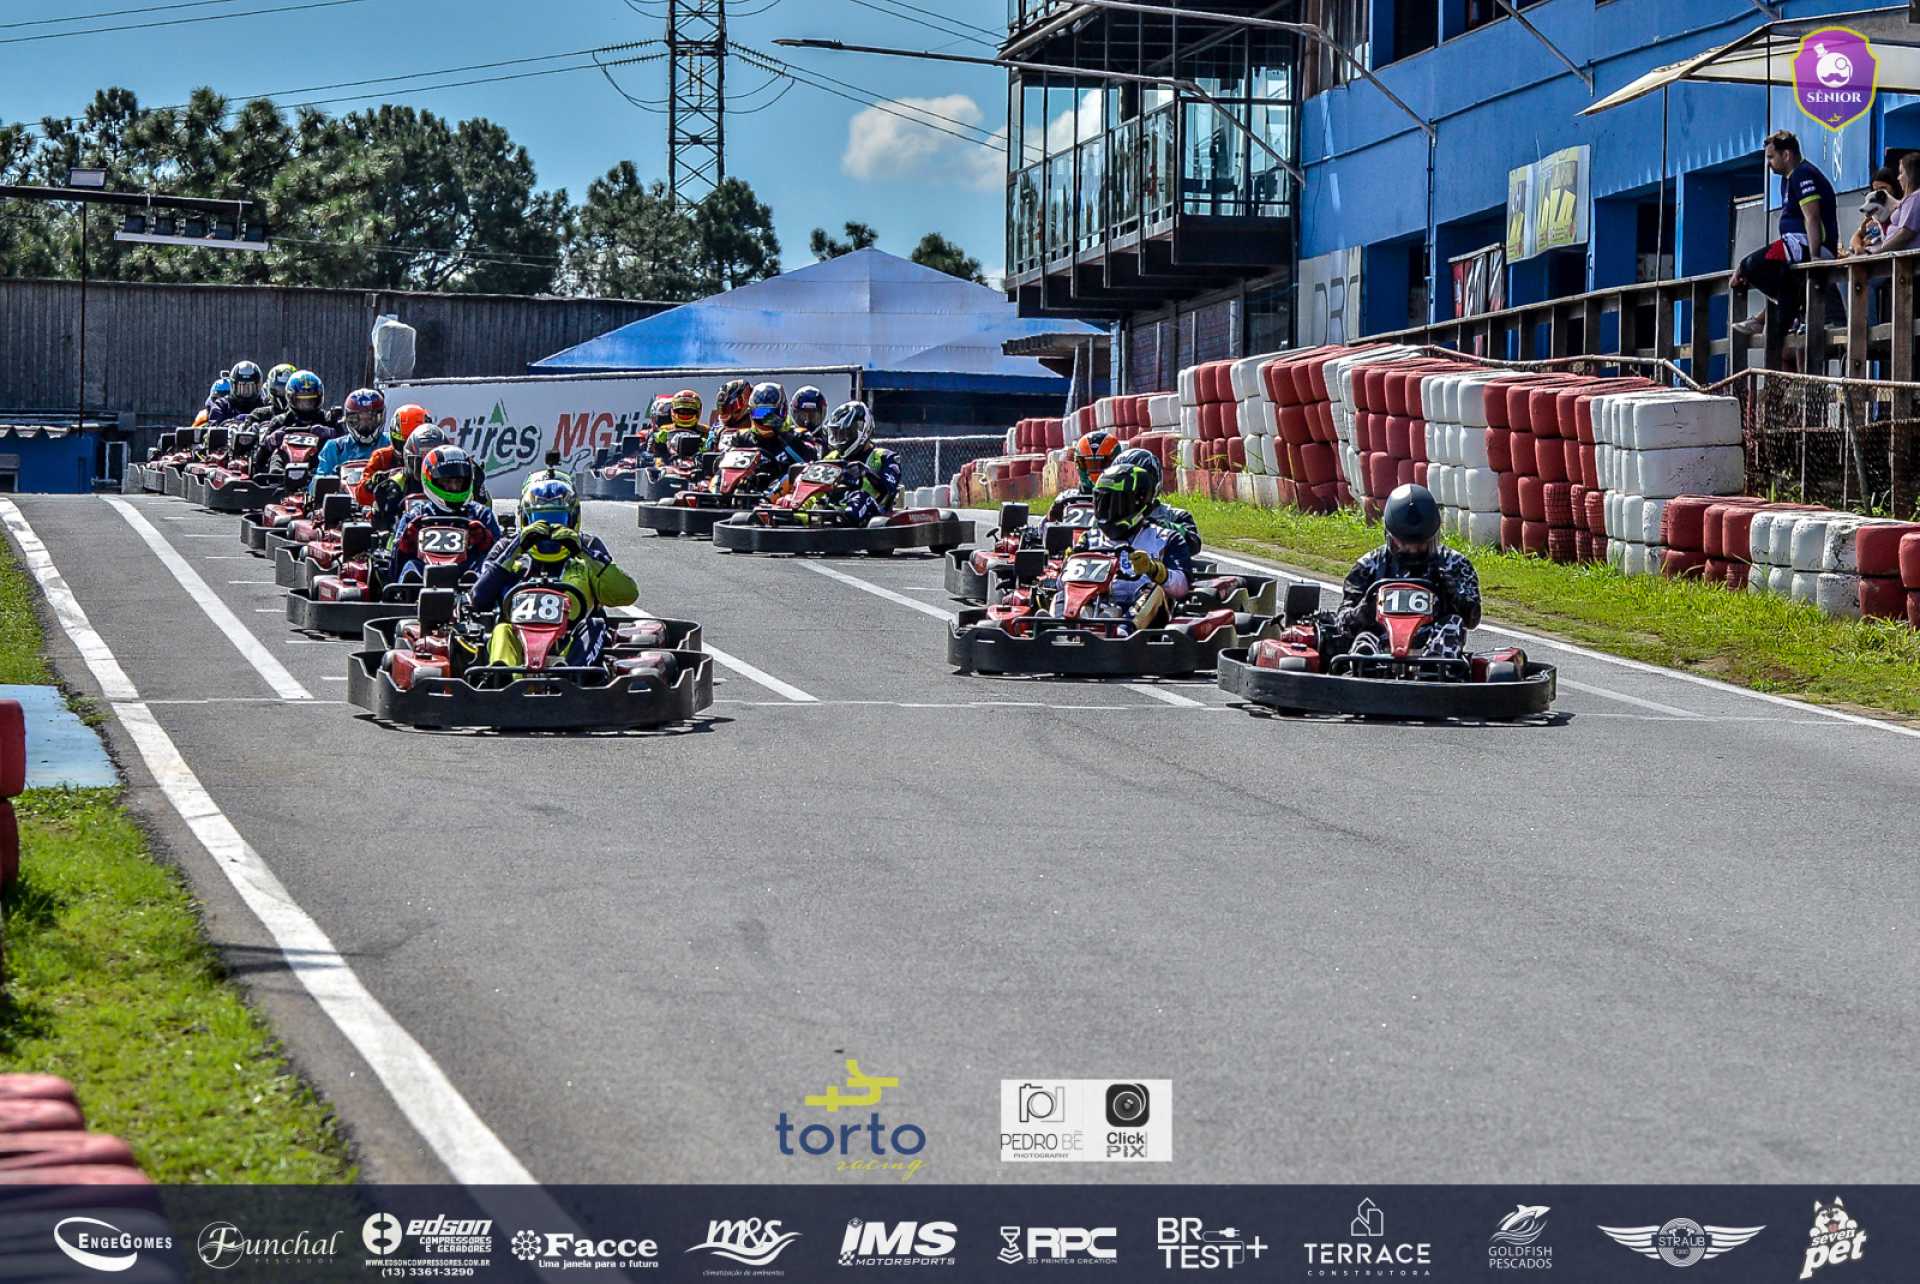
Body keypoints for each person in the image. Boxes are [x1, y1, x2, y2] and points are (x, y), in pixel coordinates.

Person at [468, 476, 638, 666]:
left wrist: (584, 552)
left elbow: (627, 594)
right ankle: (502, 675)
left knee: (595, 625)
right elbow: (478, 598)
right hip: (518, 645)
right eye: (540, 520)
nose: (549, 528)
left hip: (573, 642)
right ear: (525, 518)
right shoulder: (507, 548)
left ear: (572, 519)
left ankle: (570, 672)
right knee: (501, 631)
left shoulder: (588, 547)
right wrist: (516, 549)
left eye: (558, 520)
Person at [1332, 482, 1482, 659]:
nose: (1413, 550)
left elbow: (1472, 621)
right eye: (1405, 544)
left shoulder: (1455, 564)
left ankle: (1435, 667)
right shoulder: (1368, 566)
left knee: (1453, 624)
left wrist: (1455, 597)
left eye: (1420, 544)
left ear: (1433, 536)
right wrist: (1364, 611)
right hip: (1381, 642)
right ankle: (1365, 668)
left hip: (1433, 641)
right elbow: (1342, 624)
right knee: (1364, 636)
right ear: (1391, 536)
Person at [1731, 131, 1838, 344]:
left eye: (1771, 157)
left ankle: (1785, 312)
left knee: (1750, 265)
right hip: (1795, 245)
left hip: (1806, 245)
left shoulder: (1803, 174)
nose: (1768, 164)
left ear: (1786, 155)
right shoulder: (1787, 180)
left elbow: (1812, 217)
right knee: (1780, 281)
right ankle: (1787, 312)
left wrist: (1815, 257)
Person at [1083, 456, 1197, 618]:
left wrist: (1154, 569)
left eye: (1114, 503)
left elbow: (1182, 587)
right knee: (1061, 594)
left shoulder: (1166, 538)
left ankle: (1124, 628)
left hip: (1144, 612)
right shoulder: (1089, 539)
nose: (1106, 510)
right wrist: (1066, 566)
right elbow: (1062, 584)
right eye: (1102, 502)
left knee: (1153, 590)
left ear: (1138, 502)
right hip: (1098, 603)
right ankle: (1060, 625)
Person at [387, 446, 502, 582]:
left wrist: (486, 542)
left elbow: (501, 560)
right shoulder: (414, 516)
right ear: (430, 480)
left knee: (482, 566)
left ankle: (474, 586)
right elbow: (393, 570)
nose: (453, 487)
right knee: (410, 566)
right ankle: (409, 589)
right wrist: (405, 546)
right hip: (424, 574)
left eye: (458, 481)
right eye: (447, 481)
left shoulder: (482, 515)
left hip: (467, 573)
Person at [819, 402, 899, 522]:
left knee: (860, 497)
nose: (840, 439)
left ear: (861, 430)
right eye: (836, 434)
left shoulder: (885, 457)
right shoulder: (832, 457)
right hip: (834, 505)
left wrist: (864, 472)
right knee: (817, 500)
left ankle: (845, 518)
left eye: (844, 434)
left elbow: (888, 488)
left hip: (873, 513)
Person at [367, 423, 452, 532]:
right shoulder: (395, 482)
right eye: (421, 460)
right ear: (409, 459)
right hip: (405, 537)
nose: (426, 466)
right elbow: (380, 524)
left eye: (433, 460)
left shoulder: (455, 482)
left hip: (454, 532)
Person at [251, 370, 340, 474]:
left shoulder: (328, 420)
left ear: (319, 399)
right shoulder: (280, 421)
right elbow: (258, 461)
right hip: (282, 475)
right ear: (290, 398)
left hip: (319, 470)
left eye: (310, 401)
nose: (306, 406)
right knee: (278, 452)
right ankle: (277, 474)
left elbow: (347, 445)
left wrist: (331, 433)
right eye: (301, 401)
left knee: (328, 447)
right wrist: (270, 442)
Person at [353, 404, 433, 507]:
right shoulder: (381, 457)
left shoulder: (435, 459)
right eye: (404, 443)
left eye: (415, 445)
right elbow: (360, 496)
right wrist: (373, 483)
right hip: (392, 512)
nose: (408, 451)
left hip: (433, 510)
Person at [312, 388, 385, 496]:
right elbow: (316, 485)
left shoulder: (391, 444)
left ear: (381, 417)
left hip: (383, 502)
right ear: (347, 418)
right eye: (358, 420)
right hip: (343, 503)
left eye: (370, 419)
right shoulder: (335, 447)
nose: (365, 426)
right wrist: (337, 484)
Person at [739, 381, 816, 482]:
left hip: (785, 488)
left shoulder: (799, 436)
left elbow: (812, 462)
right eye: (760, 413)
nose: (764, 420)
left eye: (770, 415)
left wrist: (785, 440)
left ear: (783, 411)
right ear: (751, 413)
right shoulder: (740, 438)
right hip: (746, 488)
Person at [1048, 429, 1121, 521]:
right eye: (1089, 464)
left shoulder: (1122, 499)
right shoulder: (1066, 498)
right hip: (1072, 530)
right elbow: (1044, 527)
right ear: (1079, 464)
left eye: (1100, 464)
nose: (1094, 470)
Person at [1858, 151, 1920, 256]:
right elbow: (1858, 234)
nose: (1898, 178)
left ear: (1911, 174)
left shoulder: (1915, 197)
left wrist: (1877, 254)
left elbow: (1905, 235)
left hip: (1905, 260)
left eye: (1901, 173)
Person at [1847, 166, 1901, 255]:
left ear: (1894, 187)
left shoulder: (1901, 209)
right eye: (1875, 190)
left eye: (1883, 188)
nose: (1878, 193)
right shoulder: (1873, 213)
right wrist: (1858, 247)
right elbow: (1856, 236)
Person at [708, 378, 754, 450]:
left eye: (729, 407)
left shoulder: (759, 424)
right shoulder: (717, 429)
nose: (724, 411)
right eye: (722, 407)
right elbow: (708, 448)